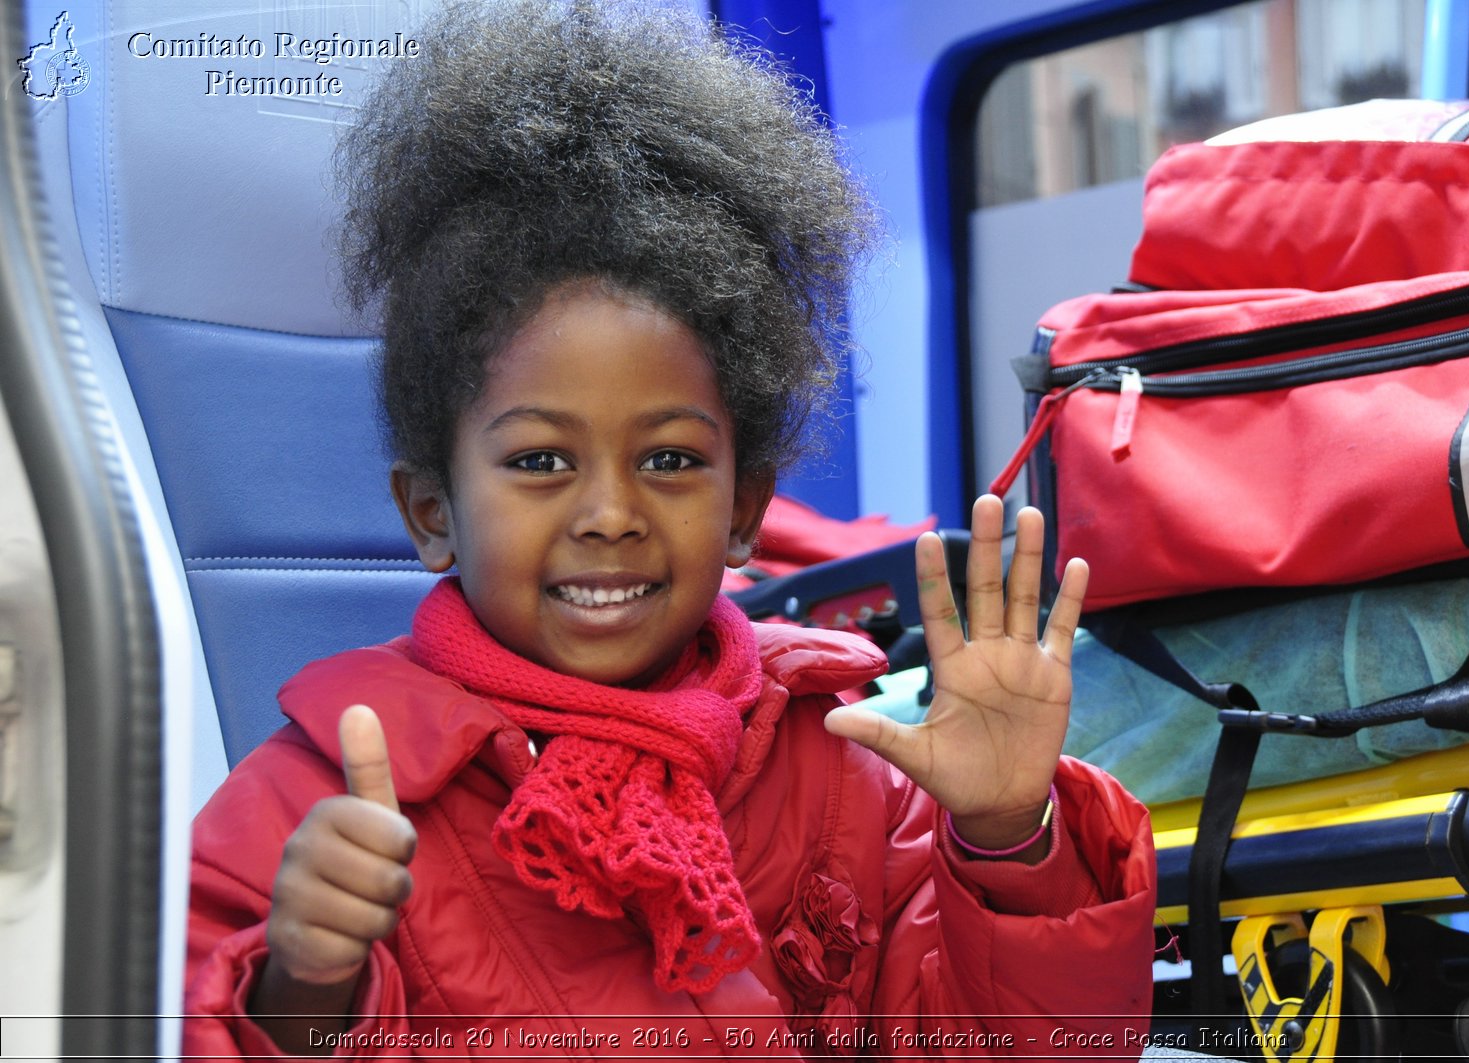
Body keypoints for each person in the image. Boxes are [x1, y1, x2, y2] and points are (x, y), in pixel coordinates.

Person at [183, 1, 1156, 1056]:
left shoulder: (837, 763)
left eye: (670, 460)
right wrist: (304, 987)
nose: (609, 515)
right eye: (540, 462)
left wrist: (1014, 839)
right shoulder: (322, 799)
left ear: (744, 510)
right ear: (431, 513)